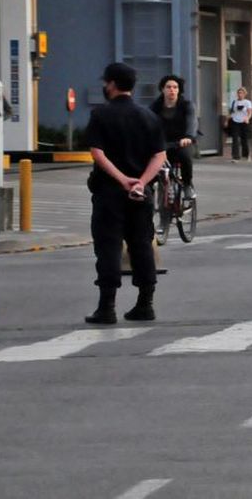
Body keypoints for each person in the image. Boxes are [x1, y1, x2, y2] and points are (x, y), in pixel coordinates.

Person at [83, 62, 167, 325]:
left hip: (109, 193)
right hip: (141, 195)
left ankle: (106, 307)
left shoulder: (101, 115)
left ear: (111, 84)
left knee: (108, 247)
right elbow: (159, 155)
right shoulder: (149, 116)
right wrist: (140, 182)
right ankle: (146, 304)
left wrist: (122, 180)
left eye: (106, 82)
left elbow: (97, 153)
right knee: (141, 245)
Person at [149, 75, 198, 193]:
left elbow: (192, 121)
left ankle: (187, 184)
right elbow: (148, 124)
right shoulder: (155, 106)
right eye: (168, 87)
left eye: (175, 87)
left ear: (179, 90)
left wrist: (188, 137)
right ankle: (148, 189)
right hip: (162, 143)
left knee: (185, 157)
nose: (172, 90)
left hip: (181, 142)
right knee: (148, 160)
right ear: (162, 89)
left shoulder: (187, 105)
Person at [227, 86, 252, 161]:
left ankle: (246, 154)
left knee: (244, 139)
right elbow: (232, 112)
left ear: (245, 94)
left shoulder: (247, 102)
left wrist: (247, 118)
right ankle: (235, 156)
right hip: (235, 121)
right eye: (238, 93)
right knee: (235, 139)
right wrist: (227, 120)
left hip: (244, 122)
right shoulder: (234, 102)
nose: (240, 94)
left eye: (241, 93)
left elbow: (250, 112)